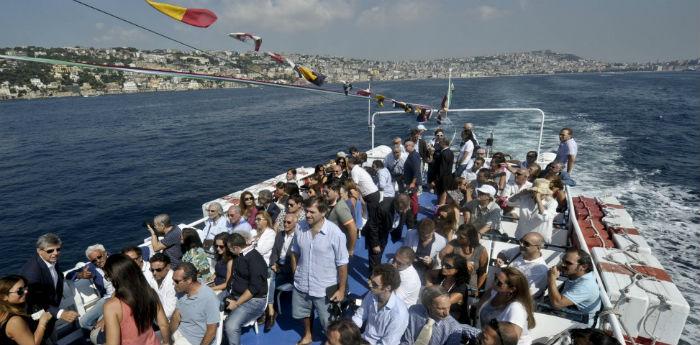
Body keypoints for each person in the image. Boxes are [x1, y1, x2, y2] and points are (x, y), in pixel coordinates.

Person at [291, 197, 349, 345]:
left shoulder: (335, 233)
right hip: (302, 283)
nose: (308, 215)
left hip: (324, 286)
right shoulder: (300, 227)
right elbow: (294, 252)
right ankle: (308, 335)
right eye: (306, 211)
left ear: (323, 212)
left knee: (328, 321)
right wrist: (295, 272)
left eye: (312, 212)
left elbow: (342, 264)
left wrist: (341, 290)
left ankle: (331, 341)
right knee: (305, 312)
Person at [101, 254, 170, 345]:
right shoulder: (150, 292)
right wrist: (166, 343)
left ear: (114, 277)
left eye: (107, 276)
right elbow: (164, 324)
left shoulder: (111, 306)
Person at [21, 233, 79, 340]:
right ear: (39, 251)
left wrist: (77, 275)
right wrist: (60, 313)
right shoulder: (32, 273)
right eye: (50, 250)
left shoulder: (50, 259)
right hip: (37, 317)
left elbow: (58, 276)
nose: (56, 253)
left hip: (51, 312)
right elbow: (34, 299)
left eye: (58, 249)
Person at [223, 233, 268, 345]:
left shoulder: (254, 259)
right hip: (236, 295)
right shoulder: (241, 255)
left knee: (231, 326)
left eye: (229, 249)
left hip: (254, 301)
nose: (228, 251)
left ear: (236, 248)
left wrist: (236, 303)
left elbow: (254, 288)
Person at [352, 264, 409, 345]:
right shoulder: (372, 294)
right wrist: (349, 331)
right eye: (370, 280)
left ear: (388, 288)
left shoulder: (399, 314)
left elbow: (388, 343)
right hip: (363, 339)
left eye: (374, 284)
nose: (369, 285)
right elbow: (360, 316)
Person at [477, 267, 536, 345]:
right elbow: (478, 306)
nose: (494, 282)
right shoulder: (495, 291)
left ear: (512, 289)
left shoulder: (516, 308)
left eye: (499, 282)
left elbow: (512, 341)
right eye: (495, 277)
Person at [546, 249, 601, 326]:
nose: (563, 264)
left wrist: (551, 278)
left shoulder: (586, 285)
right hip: (567, 314)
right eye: (563, 261)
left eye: (568, 263)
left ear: (583, 267)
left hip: (578, 325)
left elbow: (557, 303)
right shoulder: (577, 275)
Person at [66, 243, 114, 330]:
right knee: (83, 322)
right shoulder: (92, 267)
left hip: (122, 296)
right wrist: (81, 275)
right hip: (107, 298)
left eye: (99, 257)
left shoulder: (118, 260)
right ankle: (97, 334)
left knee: (108, 321)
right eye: (94, 260)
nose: (98, 261)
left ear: (105, 253)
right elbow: (69, 275)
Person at [348, 156, 384, 271]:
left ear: (349, 163)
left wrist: (360, 199)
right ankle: (370, 233)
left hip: (371, 196)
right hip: (374, 194)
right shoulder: (359, 169)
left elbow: (355, 186)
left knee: (372, 220)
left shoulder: (354, 171)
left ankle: (374, 241)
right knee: (371, 217)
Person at [170, 262, 220, 345]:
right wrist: (167, 337)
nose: (173, 283)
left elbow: (211, 331)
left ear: (189, 280)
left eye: (176, 281)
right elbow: (176, 316)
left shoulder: (209, 297)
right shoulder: (181, 291)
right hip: (179, 333)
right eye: (173, 280)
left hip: (194, 341)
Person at [400, 286, 465, 345]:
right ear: (429, 305)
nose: (446, 313)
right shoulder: (415, 311)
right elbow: (406, 340)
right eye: (441, 308)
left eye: (448, 307)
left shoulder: (453, 328)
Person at [0, 275, 53, 345]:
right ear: (4, 297)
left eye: (25, 287)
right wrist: (42, 322)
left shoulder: (6, 311)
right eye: (20, 291)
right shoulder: (14, 321)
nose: (25, 292)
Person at [439, 224, 488, 297]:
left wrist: (477, 288)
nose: (458, 238)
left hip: (470, 285)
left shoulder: (481, 251)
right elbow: (442, 255)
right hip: (453, 282)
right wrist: (462, 263)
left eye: (461, 237)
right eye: (458, 235)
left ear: (470, 238)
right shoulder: (454, 243)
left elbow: (483, 273)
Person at [495, 232, 549, 297]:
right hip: (501, 291)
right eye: (521, 241)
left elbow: (527, 294)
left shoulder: (541, 270)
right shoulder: (519, 250)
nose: (521, 244)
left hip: (516, 300)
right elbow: (503, 253)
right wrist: (501, 258)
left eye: (526, 243)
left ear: (538, 248)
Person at [509, 178, 559, 243]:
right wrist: (519, 194)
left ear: (545, 193)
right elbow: (509, 203)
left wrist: (538, 201)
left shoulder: (552, 203)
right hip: (521, 237)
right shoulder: (526, 198)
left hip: (540, 241)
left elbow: (545, 217)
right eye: (534, 191)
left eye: (537, 192)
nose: (535, 194)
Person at [252, 211, 277, 331]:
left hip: (265, 266)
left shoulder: (270, 234)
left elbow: (260, 250)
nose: (256, 221)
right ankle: (262, 311)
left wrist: (251, 245)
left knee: (269, 281)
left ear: (266, 220)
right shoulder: (256, 234)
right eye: (256, 219)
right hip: (254, 266)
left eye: (259, 219)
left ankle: (270, 312)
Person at [425, 254, 469, 322]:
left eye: (448, 266)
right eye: (443, 264)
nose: (443, 267)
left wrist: (429, 292)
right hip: (437, 316)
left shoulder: (461, 287)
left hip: (454, 322)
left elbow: (441, 303)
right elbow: (428, 273)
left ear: (457, 270)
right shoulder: (441, 275)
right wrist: (429, 286)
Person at [325, 180, 358, 256]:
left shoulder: (340, 208)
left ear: (336, 193)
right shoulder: (329, 203)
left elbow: (353, 229)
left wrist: (350, 249)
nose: (324, 194)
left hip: (338, 247)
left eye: (327, 192)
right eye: (324, 191)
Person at [148, 253, 177, 319]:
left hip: (169, 322)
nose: (154, 273)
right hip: (156, 317)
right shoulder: (154, 279)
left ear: (168, 267)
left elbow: (169, 312)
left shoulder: (173, 283)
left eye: (158, 270)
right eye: (152, 270)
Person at [403, 140, 422, 216]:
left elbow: (416, 170)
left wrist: (413, 183)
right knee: (413, 198)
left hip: (412, 182)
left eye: (407, 146)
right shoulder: (412, 154)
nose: (405, 147)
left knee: (413, 198)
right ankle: (414, 211)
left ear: (412, 146)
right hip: (410, 180)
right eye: (405, 146)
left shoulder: (414, 156)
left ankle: (414, 215)